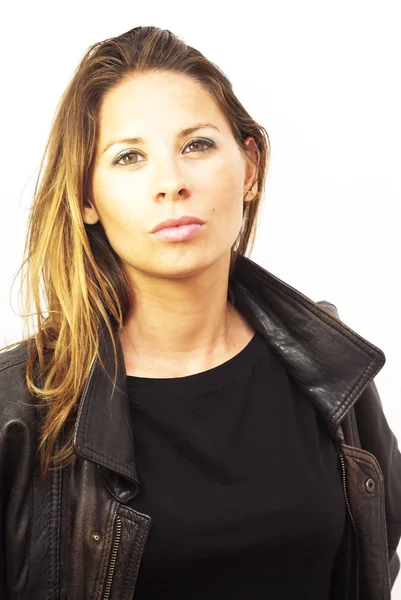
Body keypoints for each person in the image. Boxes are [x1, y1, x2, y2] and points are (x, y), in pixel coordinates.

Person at [0, 25, 400, 600]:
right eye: (129, 156)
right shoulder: (22, 409)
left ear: (250, 166)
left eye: (197, 145)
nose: (171, 183)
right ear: (87, 198)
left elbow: (371, 562)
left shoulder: (331, 367)